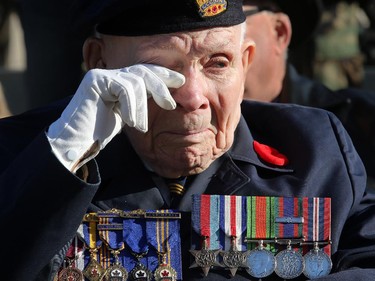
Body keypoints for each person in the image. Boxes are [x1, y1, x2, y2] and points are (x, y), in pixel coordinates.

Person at [0, 1, 374, 281]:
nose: (193, 96)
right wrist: (63, 159)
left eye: (218, 63)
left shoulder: (314, 147)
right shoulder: (24, 154)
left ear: (245, 63)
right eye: (160, 68)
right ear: (99, 62)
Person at [243, 0, 375, 190]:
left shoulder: (360, 122)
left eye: (234, 22)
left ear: (280, 32)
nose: (210, 36)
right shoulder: (191, 132)